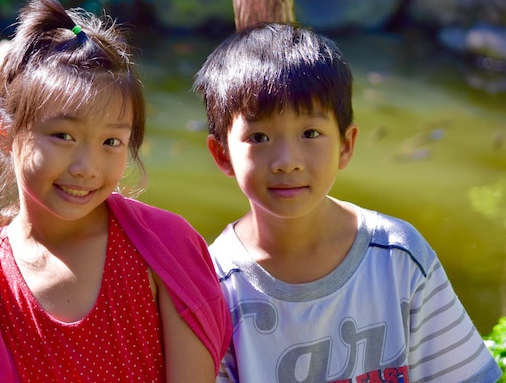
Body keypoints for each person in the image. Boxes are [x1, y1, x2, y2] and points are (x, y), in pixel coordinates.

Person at [0, 0, 231, 383]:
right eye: (63, 135)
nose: (87, 168)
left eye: (112, 142)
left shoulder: (166, 248)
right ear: (1, 130)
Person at [193, 22, 501, 383]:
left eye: (310, 133)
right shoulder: (214, 287)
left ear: (346, 144)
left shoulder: (397, 256)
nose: (287, 160)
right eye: (259, 137)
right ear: (222, 154)